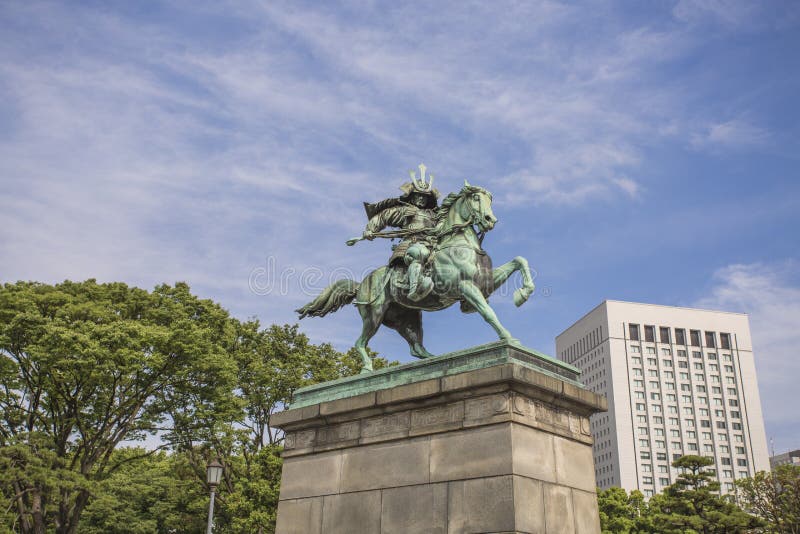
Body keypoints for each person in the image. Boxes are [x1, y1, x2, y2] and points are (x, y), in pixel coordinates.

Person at [362, 171, 439, 301]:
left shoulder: (434, 215)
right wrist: (370, 229)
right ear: (412, 197)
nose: (421, 198)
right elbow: (383, 217)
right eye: (418, 195)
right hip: (412, 244)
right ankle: (415, 288)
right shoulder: (405, 211)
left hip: (433, 245)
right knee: (419, 252)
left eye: (424, 196)